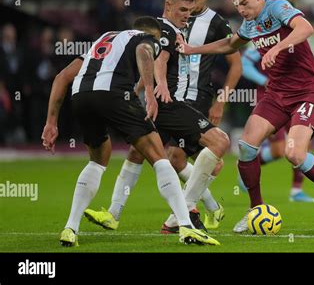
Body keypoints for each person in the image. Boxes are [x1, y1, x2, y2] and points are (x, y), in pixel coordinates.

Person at [177, 0, 314, 233]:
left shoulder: (277, 7)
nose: (242, 10)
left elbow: (306, 28)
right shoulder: (249, 24)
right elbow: (229, 44)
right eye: (238, 5)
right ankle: (255, 209)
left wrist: (276, 48)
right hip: (276, 94)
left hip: (307, 92)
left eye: (246, 3)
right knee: (247, 146)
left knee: (294, 153)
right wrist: (192, 49)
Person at [41, 16, 219, 246]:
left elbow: (62, 77)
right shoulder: (146, 38)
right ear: (155, 34)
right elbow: (145, 51)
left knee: (98, 160)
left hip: (81, 97)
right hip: (115, 94)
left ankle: (70, 228)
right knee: (158, 156)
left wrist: (51, 122)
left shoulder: (103, 39)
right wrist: (149, 92)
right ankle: (186, 226)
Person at [84, 0, 231, 234]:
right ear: (168, 5)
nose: (188, 15)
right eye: (183, 10)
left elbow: (149, 58)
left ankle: (113, 214)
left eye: (190, 10)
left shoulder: (163, 25)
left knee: (138, 154)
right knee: (219, 143)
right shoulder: (166, 29)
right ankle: (186, 209)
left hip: (158, 103)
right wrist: (158, 87)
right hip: (167, 105)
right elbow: (161, 59)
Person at [163, 0, 242, 230]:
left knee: (171, 156)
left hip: (198, 99)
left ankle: (184, 214)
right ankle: (206, 206)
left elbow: (236, 65)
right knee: (173, 158)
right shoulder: (176, 22)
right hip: (172, 98)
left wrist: (221, 100)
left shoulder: (216, 22)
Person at [239, 45, 314, 203]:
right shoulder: (264, 39)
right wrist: (264, 80)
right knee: (278, 151)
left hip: (295, 96)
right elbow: (244, 65)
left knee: (302, 144)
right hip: (271, 99)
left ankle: (296, 190)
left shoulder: (294, 39)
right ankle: (245, 167)